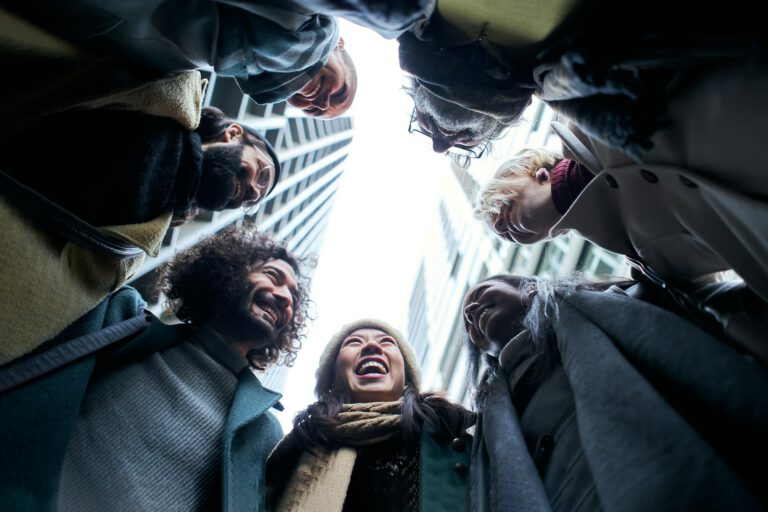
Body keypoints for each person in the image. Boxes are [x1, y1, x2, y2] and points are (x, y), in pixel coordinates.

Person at [21, 226, 309, 512]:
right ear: (230, 272)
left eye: (294, 298)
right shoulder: (124, 324)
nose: (285, 298)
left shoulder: (264, 431)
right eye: (273, 277)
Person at [461, 273, 768, 511]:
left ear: (526, 286)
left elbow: (723, 307)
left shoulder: (625, 300)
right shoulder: (492, 430)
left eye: (478, 293)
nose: (472, 310)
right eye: (467, 321)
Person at [398, 0, 766, 157]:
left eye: (423, 125)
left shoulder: (403, 15)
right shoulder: (550, 77)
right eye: (465, 145)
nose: (440, 145)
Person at [267, 319, 475, 512]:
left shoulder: (449, 435)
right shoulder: (296, 449)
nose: (372, 346)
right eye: (354, 342)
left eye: (386, 342)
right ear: (330, 382)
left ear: (406, 381)